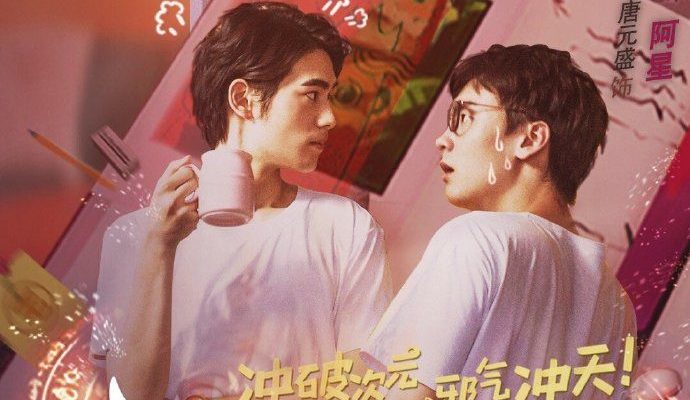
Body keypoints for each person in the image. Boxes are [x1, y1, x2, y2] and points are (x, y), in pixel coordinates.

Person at [90, 3, 391, 399]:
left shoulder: (345, 227)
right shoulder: (133, 236)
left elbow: (365, 385)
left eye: (330, 96)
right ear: (244, 100)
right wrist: (159, 246)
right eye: (312, 94)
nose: (329, 117)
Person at [354, 44, 637, 400]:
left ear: (529, 139)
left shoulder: (477, 240)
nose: (443, 140)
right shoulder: (617, 306)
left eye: (464, 117)